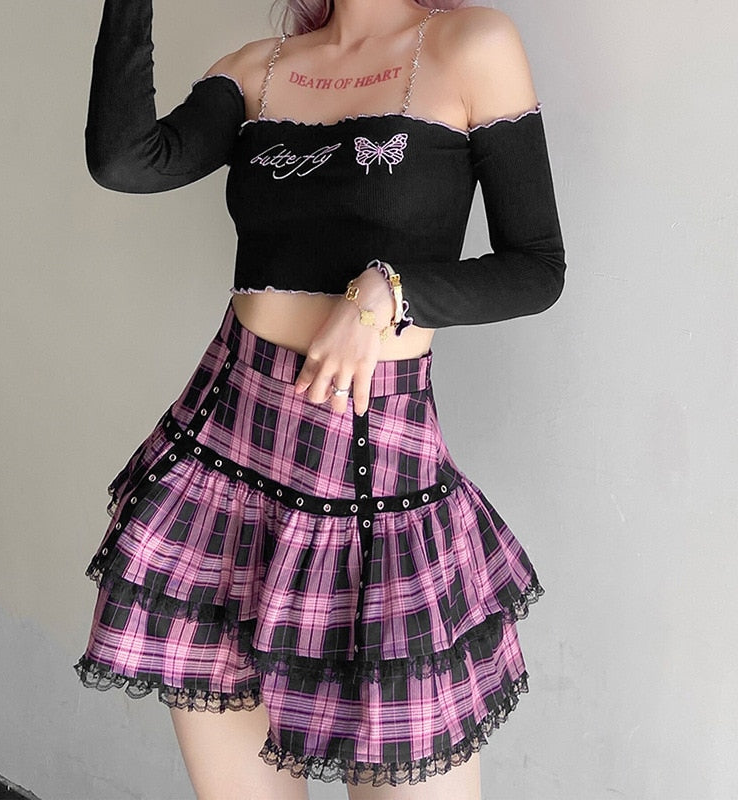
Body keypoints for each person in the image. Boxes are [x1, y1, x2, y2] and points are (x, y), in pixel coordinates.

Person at [73, 0, 565, 797]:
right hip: (224, 458)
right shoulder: (255, 68)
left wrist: (391, 293)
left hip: (378, 480)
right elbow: (127, 161)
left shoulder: (471, 44)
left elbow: (536, 267)